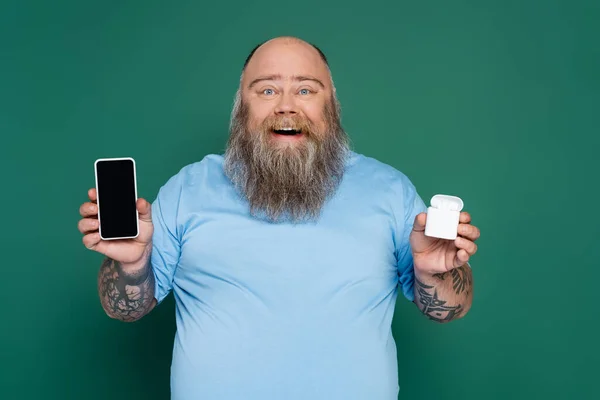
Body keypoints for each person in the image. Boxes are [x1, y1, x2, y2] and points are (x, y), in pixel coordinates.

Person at [78, 36, 480, 400]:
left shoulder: (389, 190)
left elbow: (449, 308)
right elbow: (126, 308)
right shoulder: (188, 188)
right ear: (242, 106)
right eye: (267, 89)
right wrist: (130, 266)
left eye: (306, 89)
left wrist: (434, 274)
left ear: (331, 105)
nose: (287, 105)